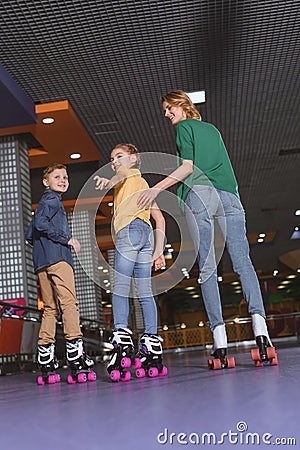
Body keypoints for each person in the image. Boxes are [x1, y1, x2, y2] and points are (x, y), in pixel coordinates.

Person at [137, 90, 275, 368]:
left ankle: (220, 341)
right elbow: (226, 167)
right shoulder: (212, 129)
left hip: (200, 193)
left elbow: (187, 167)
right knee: (244, 263)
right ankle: (262, 333)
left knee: (209, 268)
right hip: (230, 195)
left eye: (168, 108)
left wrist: (156, 188)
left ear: (181, 105)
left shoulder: (184, 127)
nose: (166, 114)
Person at [94, 143, 168, 381]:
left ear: (134, 159)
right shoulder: (144, 185)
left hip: (130, 231)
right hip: (145, 235)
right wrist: (158, 252)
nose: (115, 161)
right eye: (112, 158)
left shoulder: (128, 174)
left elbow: (119, 175)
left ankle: (121, 337)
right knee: (145, 292)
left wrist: (108, 182)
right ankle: (151, 342)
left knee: (121, 287)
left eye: (119, 156)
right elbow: (159, 219)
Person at [26, 163, 96, 384]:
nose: (63, 180)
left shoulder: (43, 203)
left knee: (50, 308)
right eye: (57, 177)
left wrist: (43, 248)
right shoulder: (52, 200)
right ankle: (76, 353)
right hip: (58, 258)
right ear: (46, 182)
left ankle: (45, 356)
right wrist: (67, 240)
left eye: (65, 176)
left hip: (41, 262)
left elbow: (31, 233)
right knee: (69, 303)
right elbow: (40, 223)